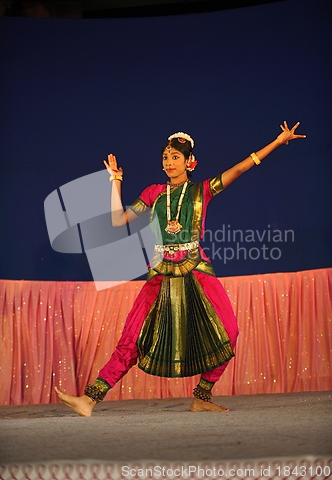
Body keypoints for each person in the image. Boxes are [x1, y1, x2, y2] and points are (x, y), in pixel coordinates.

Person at [55, 121, 306, 416]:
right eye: (165, 157)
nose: (169, 162)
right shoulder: (153, 194)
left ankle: (202, 396)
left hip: (197, 271)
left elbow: (239, 169)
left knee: (230, 332)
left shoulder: (202, 191)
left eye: (175, 157)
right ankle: (89, 399)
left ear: (190, 161)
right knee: (132, 339)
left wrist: (277, 142)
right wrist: (116, 181)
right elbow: (117, 221)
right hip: (160, 274)